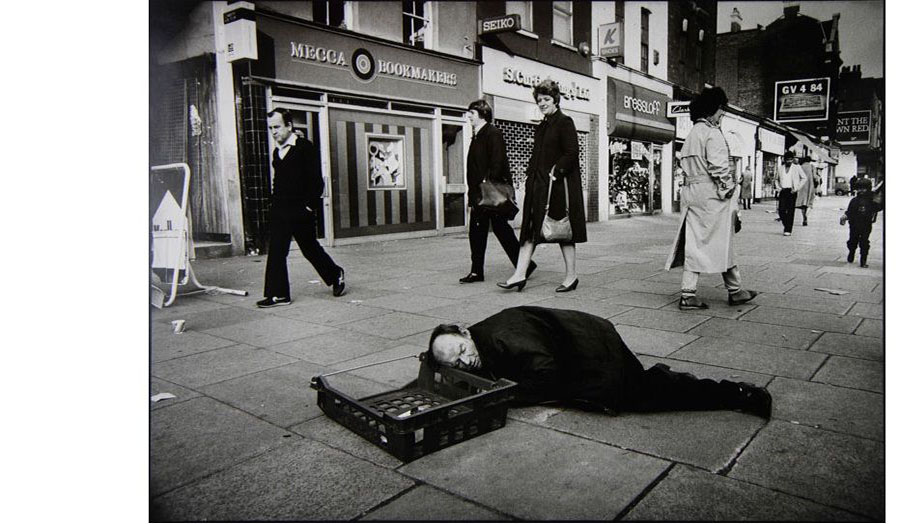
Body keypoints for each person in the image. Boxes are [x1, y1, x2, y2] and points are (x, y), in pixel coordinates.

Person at [426, 306, 772, 418]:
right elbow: (434, 367)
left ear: (463, 332)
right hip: (580, 342)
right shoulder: (481, 341)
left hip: (592, 351)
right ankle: (670, 380)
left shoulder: (499, 337)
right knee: (649, 387)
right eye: (454, 362)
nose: (463, 361)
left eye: (459, 350)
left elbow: (546, 373)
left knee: (645, 395)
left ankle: (736, 394)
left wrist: (505, 396)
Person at [664, 87, 757, 310]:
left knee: (698, 243)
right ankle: (702, 294)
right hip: (712, 197)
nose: (721, 115)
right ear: (711, 111)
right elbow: (719, 168)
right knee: (719, 242)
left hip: (692, 194)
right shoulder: (712, 133)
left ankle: (730, 290)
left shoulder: (691, 136)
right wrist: (728, 191)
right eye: (720, 111)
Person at [499, 79, 586, 293]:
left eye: (546, 99)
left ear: (555, 100)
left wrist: (556, 172)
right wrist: (527, 177)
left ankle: (571, 276)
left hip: (555, 187)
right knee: (529, 230)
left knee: (563, 232)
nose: (542, 103)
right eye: (539, 100)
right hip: (537, 187)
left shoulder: (565, 122)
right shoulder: (542, 126)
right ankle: (519, 275)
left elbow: (572, 152)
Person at [257, 108, 345, 307]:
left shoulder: (304, 147)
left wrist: (308, 207)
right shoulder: (277, 152)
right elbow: (278, 183)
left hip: (300, 210)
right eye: (271, 128)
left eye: (277, 127)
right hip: (281, 210)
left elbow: (316, 182)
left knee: (310, 249)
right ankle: (278, 295)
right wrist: (274, 205)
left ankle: (335, 274)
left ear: (289, 126)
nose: (274, 132)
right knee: (277, 251)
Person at [459, 99, 535, 284]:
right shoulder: (478, 135)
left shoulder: (492, 133)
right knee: (493, 231)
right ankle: (522, 265)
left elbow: (498, 162)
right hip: (481, 193)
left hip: (488, 194)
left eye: (472, 113)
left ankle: (479, 271)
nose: (469, 116)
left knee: (489, 231)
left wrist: (487, 186)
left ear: (482, 114)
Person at [841, 177, 881, 268]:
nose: (861, 190)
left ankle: (863, 259)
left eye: (864, 188)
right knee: (852, 240)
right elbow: (849, 211)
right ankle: (852, 251)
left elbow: (878, 207)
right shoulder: (854, 200)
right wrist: (845, 217)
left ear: (868, 189)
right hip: (854, 224)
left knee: (864, 242)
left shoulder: (872, 200)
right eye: (859, 188)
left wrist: (877, 198)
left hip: (866, 225)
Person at [774, 155, 806, 236]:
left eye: (791, 159)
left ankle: (788, 229)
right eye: (787, 160)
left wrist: (797, 188)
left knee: (790, 211)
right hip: (783, 190)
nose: (789, 161)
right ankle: (786, 225)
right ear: (784, 160)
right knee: (781, 210)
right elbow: (776, 179)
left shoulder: (797, 167)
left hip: (792, 191)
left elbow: (804, 178)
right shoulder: (780, 168)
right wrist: (778, 188)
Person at [794, 156, 817, 226]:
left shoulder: (800, 167)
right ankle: (806, 216)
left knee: (803, 203)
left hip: (801, 186)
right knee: (809, 203)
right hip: (810, 186)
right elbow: (815, 177)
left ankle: (804, 216)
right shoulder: (812, 167)